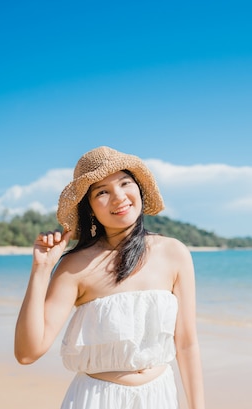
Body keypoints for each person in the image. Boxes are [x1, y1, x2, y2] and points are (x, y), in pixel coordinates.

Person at [14, 146, 205, 409]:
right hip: (97, 399)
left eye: (125, 183)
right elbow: (27, 353)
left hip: (160, 397)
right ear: (89, 207)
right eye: (102, 192)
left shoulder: (174, 253)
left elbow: (186, 345)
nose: (119, 197)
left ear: (138, 188)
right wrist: (41, 270)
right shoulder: (75, 266)